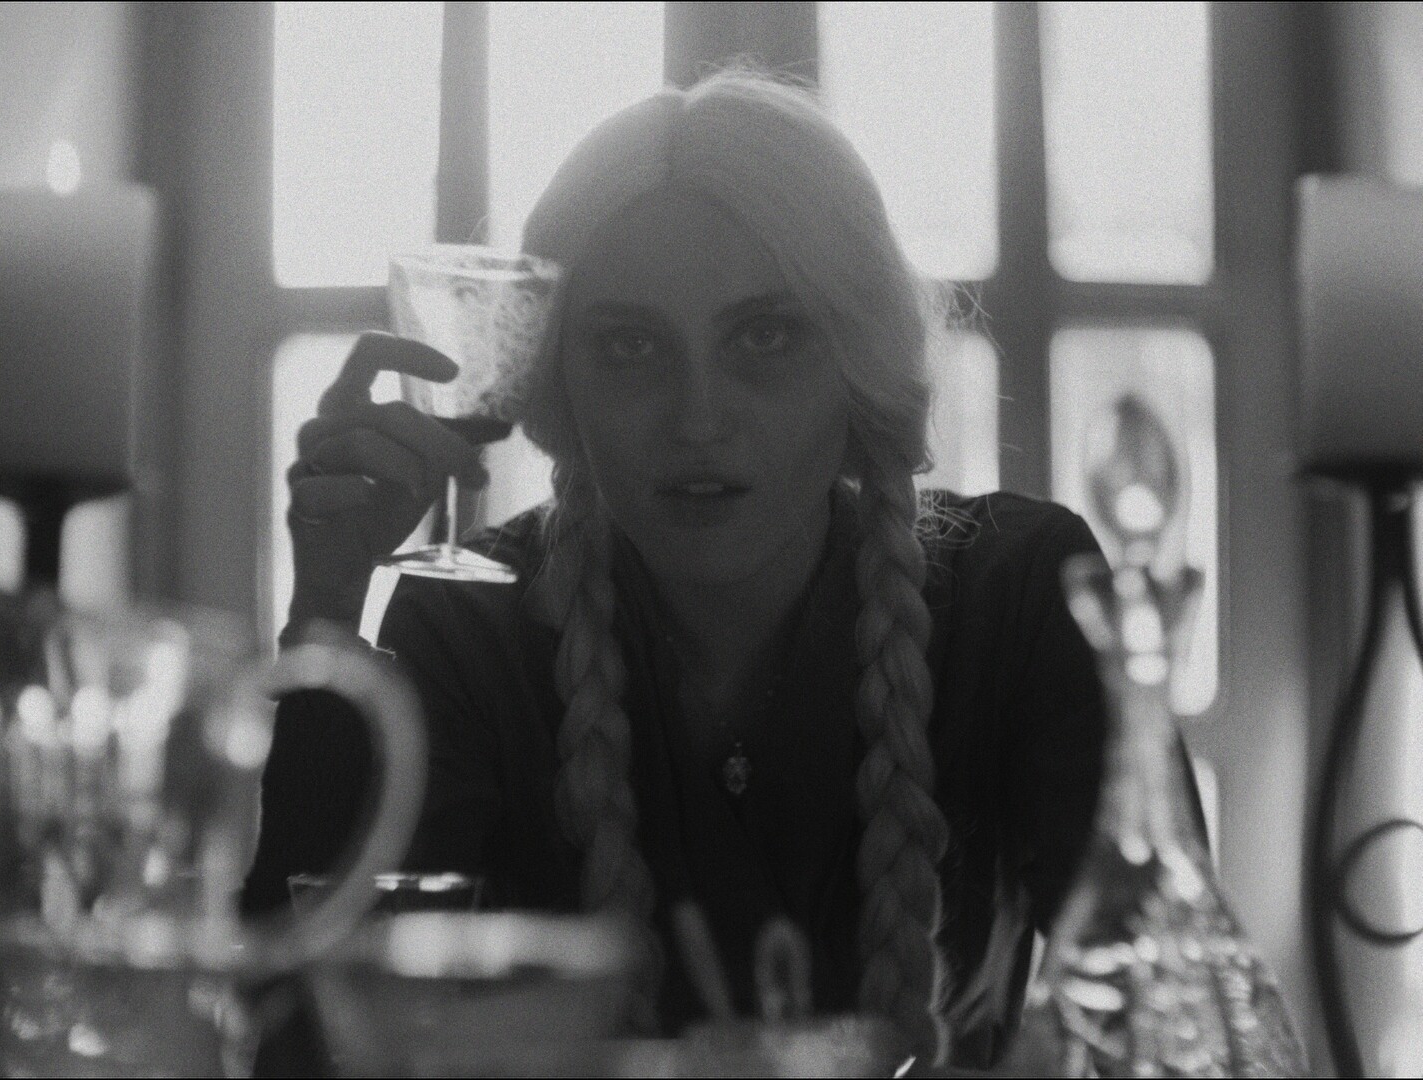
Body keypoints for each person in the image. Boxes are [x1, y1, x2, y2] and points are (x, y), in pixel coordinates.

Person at [244, 70, 1108, 1071]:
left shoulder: (1022, 599)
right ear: (557, 379)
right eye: (629, 347)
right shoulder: (466, 627)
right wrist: (327, 611)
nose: (699, 417)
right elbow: (302, 1048)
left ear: (856, 358)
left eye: (765, 336)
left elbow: (1174, 1020)